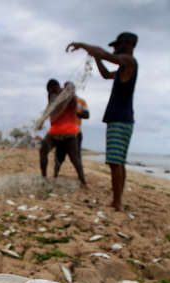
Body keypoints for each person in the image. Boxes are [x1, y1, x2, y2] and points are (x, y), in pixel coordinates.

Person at [66, 32, 138, 210]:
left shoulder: (129, 62)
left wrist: (82, 45)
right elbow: (106, 74)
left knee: (115, 162)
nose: (114, 48)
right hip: (119, 118)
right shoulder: (123, 68)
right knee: (117, 161)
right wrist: (96, 58)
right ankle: (117, 201)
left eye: (117, 45)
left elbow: (106, 54)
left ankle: (117, 202)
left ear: (128, 45)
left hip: (120, 119)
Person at [39, 79, 86, 187]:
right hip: (65, 131)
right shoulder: (59, 96)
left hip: (63, 131)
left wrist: (43, 120)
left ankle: (44, 178)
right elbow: (50, 109)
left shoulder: (66, 94)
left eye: (49, 91)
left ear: (52, 88)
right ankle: (83, 182)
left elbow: (54, 108)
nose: (49, 94)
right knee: (74, 159)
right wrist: (42, 120)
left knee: (44, 152)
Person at [54, 87, 89, 177]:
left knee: (76, 157)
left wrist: (74, 112)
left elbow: (87, 114)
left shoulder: (80, 101)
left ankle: (82, 180)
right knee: (59, 155)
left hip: (76, 133)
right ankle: (55, 175)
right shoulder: (61, 102)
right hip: (62, 133)